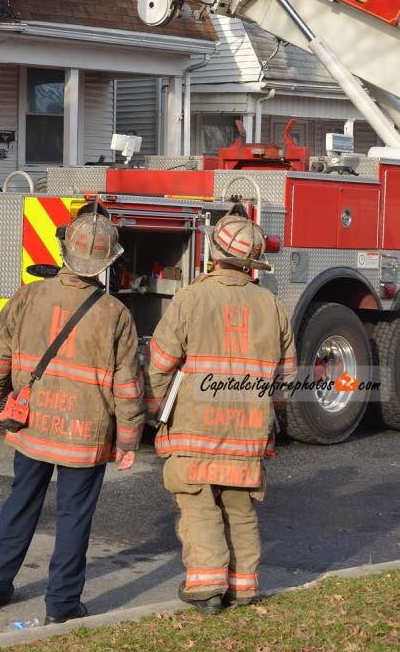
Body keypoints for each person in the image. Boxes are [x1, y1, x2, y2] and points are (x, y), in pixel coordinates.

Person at [0, 212, 145, 624]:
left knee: (20, 503)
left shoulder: (28, 296)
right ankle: (62, 604)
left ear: (64, 250)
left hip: (31, 425)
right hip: (85, 435)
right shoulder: (116, 314)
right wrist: (127, 439)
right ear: (108, 262)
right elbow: (127, 386)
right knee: (74, 518)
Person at [145, 210, 296, 615]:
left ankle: (207, 589)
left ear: (214, 253)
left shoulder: (190, 298)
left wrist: (156, 409)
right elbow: (286, 379)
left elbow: (160, 362)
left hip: (194, 428)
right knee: (239, 507)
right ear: (252, 263)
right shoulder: (272, 306)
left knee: (197, 504)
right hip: (249, 432)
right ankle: (243, 587)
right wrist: (267, 413)